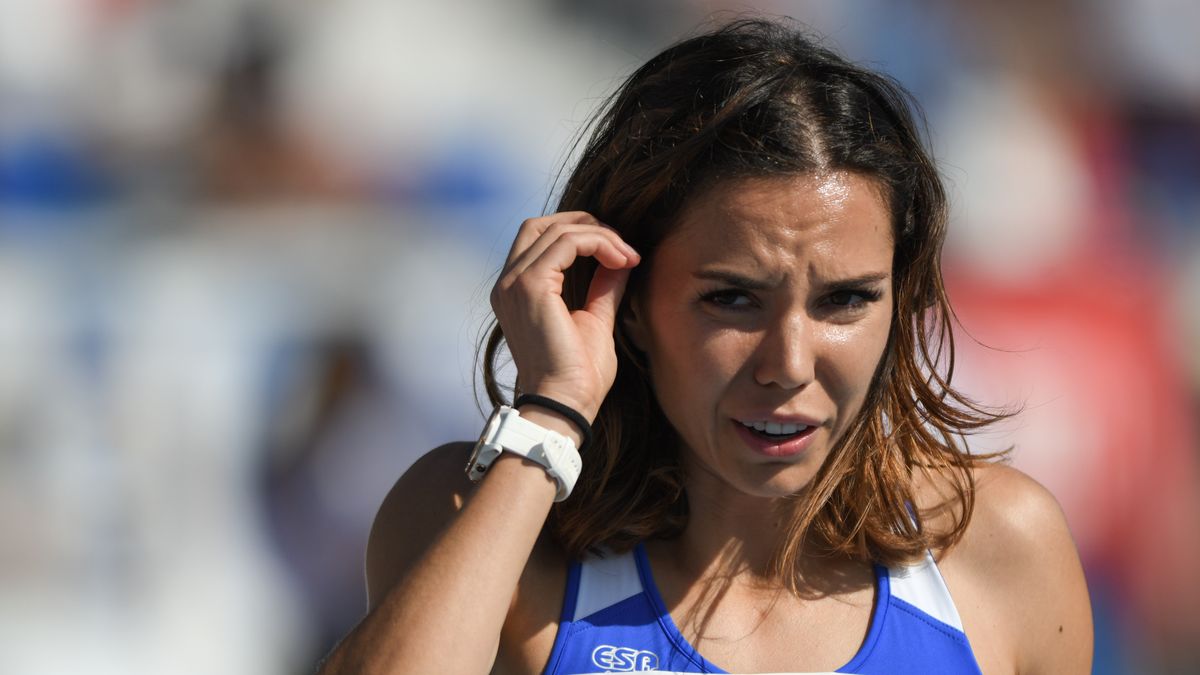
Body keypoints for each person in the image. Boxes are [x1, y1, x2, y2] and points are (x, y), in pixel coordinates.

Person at [318, 18, 1092, 675]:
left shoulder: (998, 546)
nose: (789, 363)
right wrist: (551, 413)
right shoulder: (479, 520)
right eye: (732, 299)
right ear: (624, 303)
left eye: (845, 300)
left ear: (904, 298)